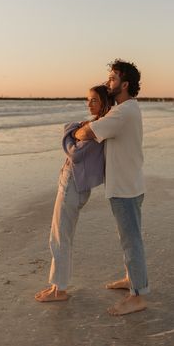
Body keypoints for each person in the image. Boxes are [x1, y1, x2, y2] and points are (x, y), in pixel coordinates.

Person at [74, 59, 149, 316]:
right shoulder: (128, 109)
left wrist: (77, 130)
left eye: (113, 79)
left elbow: (87, 134)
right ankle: (132, 280)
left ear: (125, 84)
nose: (108, 83)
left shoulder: (121, 113)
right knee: (129, 238)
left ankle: (138, 295)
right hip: (131, 183)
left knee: (131, 242)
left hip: (125, 188)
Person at [35, 85, 114, 302]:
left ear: (105, 103)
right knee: (60, 235)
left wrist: (68, 132)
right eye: (88, 99)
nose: (89, 103)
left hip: (73, 186)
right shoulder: (95, 125)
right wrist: (74, 130)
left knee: (60, 236)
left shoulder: (97, 127)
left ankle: (59, 289)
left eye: (94, 100)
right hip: (71, 184)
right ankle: (57, 286)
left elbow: (75, 153)